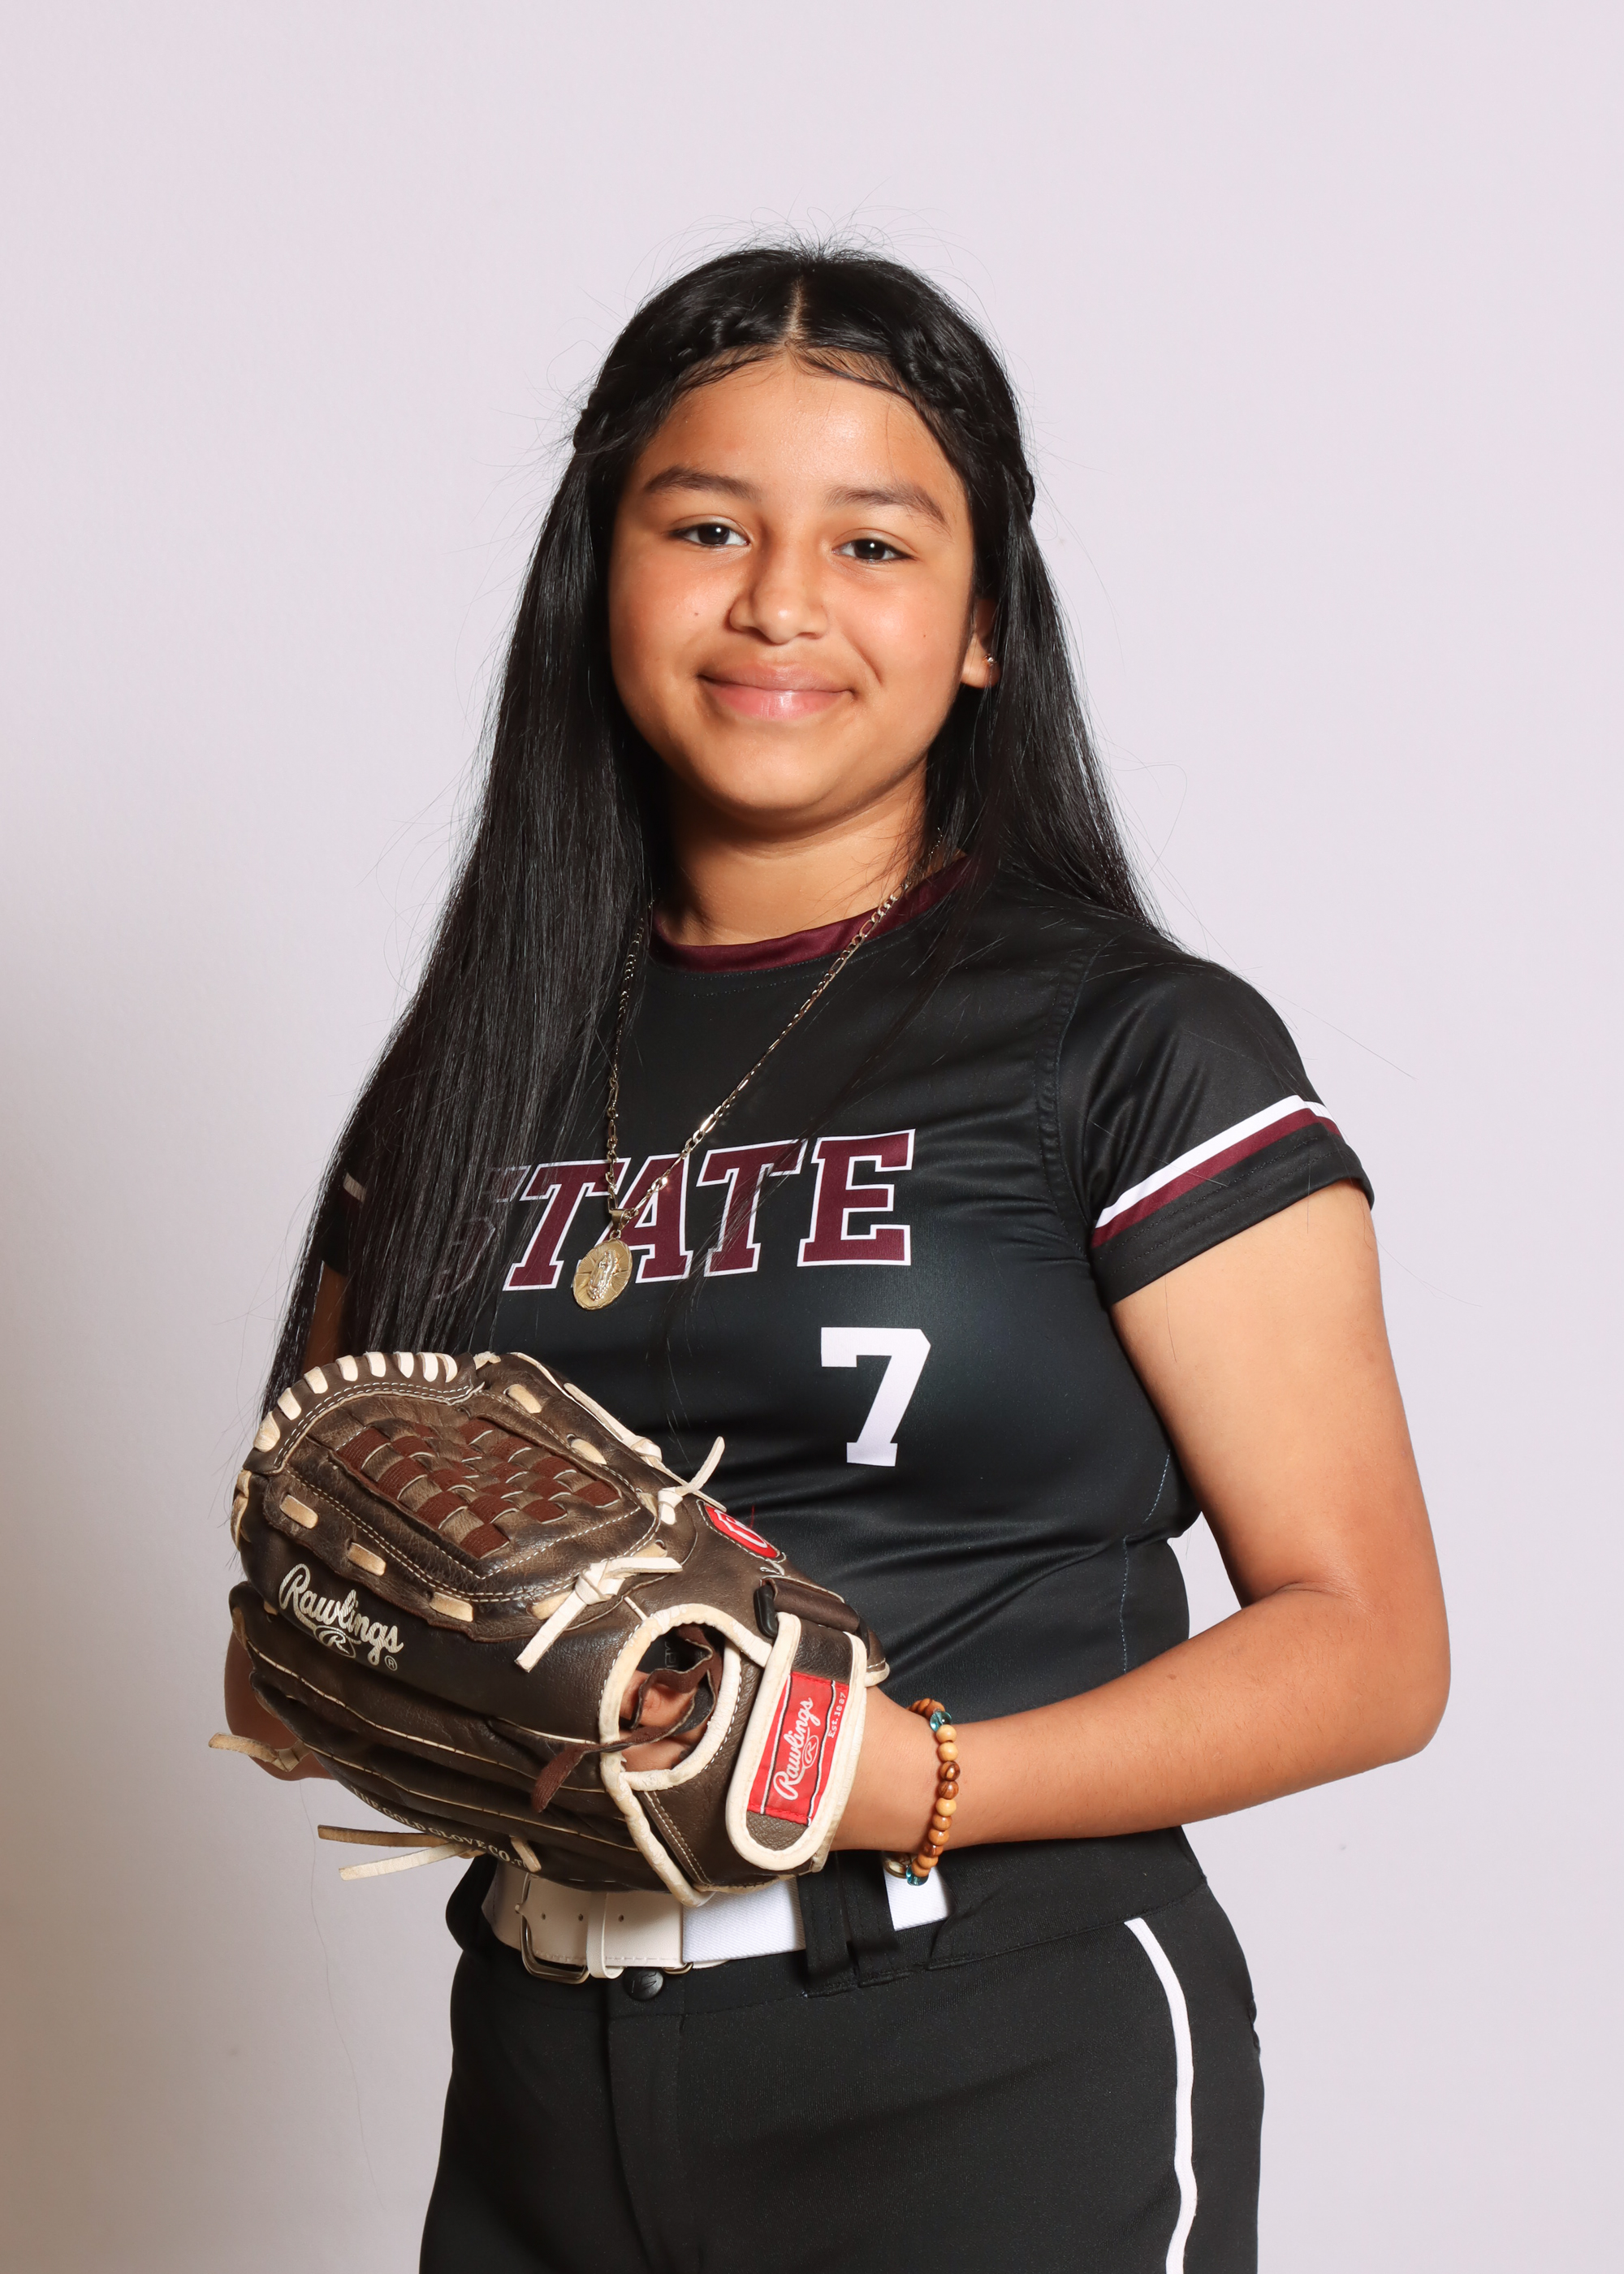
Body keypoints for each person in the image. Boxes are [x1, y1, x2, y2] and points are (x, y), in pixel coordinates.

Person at [223, 245, 1449, 2273]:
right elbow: (284, 1647)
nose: (779, 601)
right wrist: (393, 1657)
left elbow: (1370, 1641)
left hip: (983, 2051)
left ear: (981, 628)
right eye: (704, 525)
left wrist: (909, 1777)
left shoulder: (1130, 1042)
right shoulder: (470, 1068)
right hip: (540, 2058)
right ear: (597, 577)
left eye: (872, 542)